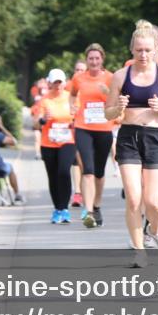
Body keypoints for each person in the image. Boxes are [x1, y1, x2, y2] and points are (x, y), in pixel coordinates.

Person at [106, 20, 158, 267]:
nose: (143, 55)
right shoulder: (120, 75)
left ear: (157, 48)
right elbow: (107, 113)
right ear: (132, 49)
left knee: (152, 201)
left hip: (157, 137)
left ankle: (156, 230)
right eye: (139, 50)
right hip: (128, 137)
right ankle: (139, 251)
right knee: (133, 199)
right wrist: (117, 107)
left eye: (148, 50)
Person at [70, 43, 116, 228]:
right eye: (91, 59)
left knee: (99, 173)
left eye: (97, 58)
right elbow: (72, 95)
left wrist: (108, 94)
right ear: (87, 60)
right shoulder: (78, 78)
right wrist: (72, 106)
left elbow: (116, 99)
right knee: (87, 170)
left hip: (104, 128)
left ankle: (97, 206)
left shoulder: (111, 78)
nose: (94, 61)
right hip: (83, 127)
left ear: (102, 59)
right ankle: (88, 212)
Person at [39, 68, 76, 224]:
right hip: (48, 142)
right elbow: (36, 121)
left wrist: (74, 122)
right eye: (55, 82)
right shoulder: (45, 100)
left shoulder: (71, 98)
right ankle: (57, 209)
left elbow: (79, 114)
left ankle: (65, 209)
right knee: (53, 176)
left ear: (64, 82)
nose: (58, 85)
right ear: (49, 83)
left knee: (64, 171)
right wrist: (43, 120)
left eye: (60, 82)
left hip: (68, 141)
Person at [69, 59, 89, 207]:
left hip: (91, 128)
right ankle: (77, 192)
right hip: (74, 127)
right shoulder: (69, 87)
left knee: (86, 163)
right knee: (76, 160)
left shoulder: (91, 86)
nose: (79, 73)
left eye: (82, 70)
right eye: (77, 70)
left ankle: (86, 190)